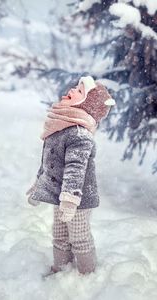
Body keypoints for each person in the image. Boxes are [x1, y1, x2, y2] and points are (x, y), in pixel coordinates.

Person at [26, 75, 116, 277]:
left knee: (79, 236)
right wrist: (39, 185)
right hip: (62, 196)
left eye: (80, 91)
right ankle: (61, 269)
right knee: (59, 234)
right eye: (76, 87)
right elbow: (50, 163)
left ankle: (87, 275)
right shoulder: (60, 129)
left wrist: (70, 200)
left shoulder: (80, 135)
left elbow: (75, 169)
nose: (72, 90)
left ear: (86, 105)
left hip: (78, 198)